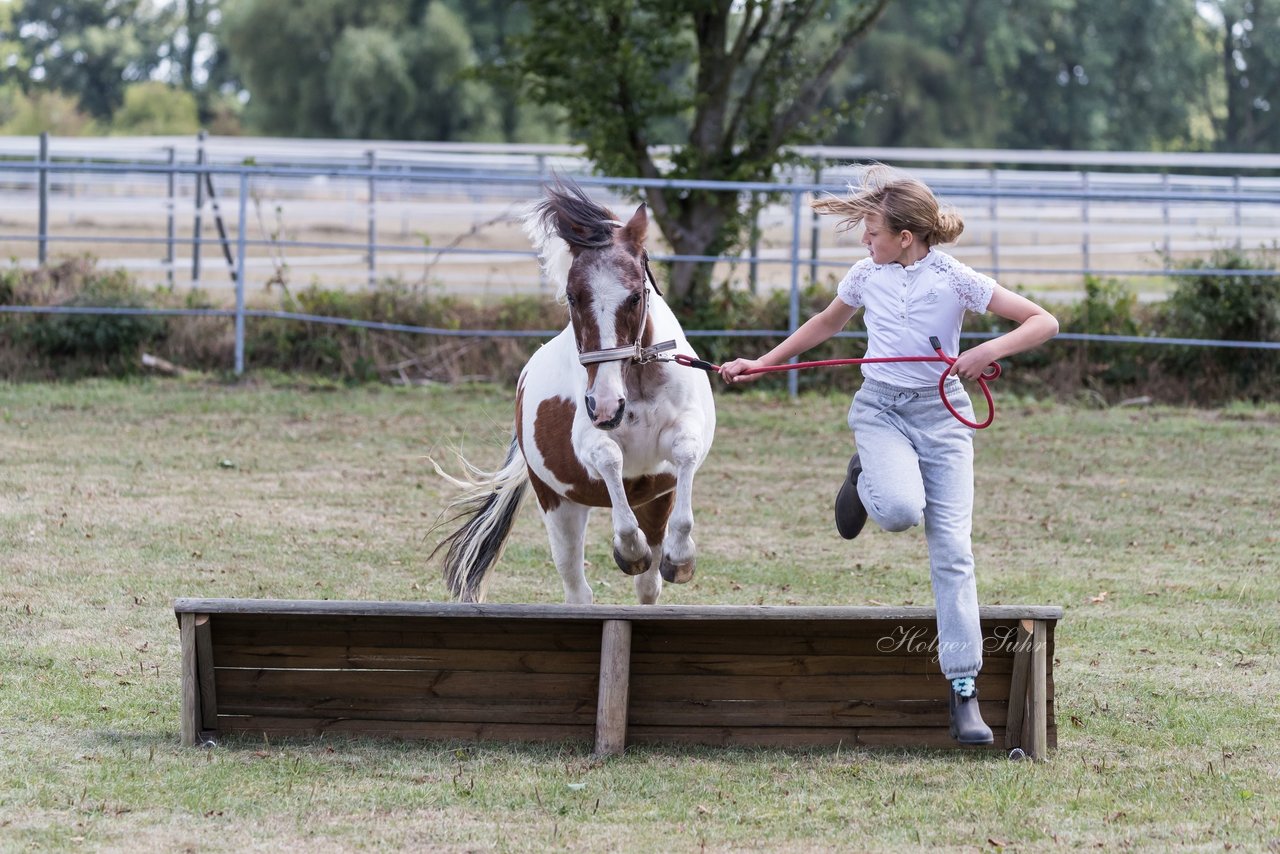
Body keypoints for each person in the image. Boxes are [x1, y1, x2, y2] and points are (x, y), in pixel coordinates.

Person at [720, 164, 1059, 745]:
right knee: (900, 510)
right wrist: (763, 363)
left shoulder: (954, 279)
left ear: (906, 236)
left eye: (872, 230)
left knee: (953, 551)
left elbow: (1042, 320)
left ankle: (962, 690)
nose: (864, 240)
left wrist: (985, 352)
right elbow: (827, 323)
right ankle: (865, 478)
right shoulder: (864, 275)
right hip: (880, 409)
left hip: (944, 416)